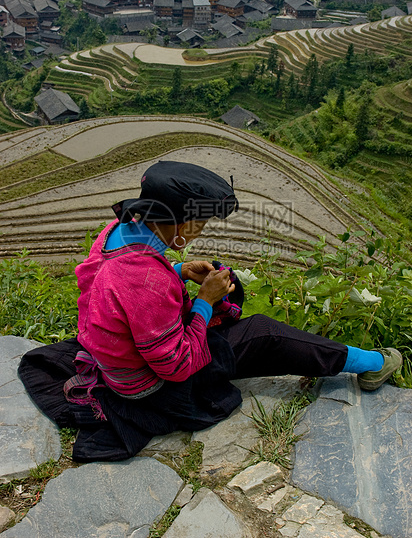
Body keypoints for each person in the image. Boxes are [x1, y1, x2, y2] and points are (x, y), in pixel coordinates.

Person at [18, 161, 403, 463]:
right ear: (179, 221)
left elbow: (108, 285)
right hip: (149, 385)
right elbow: (176, 364)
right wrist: (203, 300)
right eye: (199, 221)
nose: (200, 230)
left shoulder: (117, 232)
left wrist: (178, 270)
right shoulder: (145, 280)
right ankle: (371, 363)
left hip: (115, 352)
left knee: (233, 316)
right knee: (262, 334)